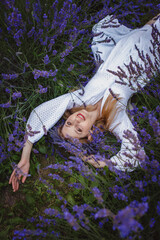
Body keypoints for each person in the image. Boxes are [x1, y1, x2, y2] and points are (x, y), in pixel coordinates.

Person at [9, 14, 160, 192]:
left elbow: (41, 114)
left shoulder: (81, 98)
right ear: (90, 135)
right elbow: (135, 154)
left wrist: (26, 154)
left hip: (135, 39)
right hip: (152, 53)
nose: (77, 120)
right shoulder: (114, 118)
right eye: (79, 129)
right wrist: (101, 163)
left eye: (69, 123)